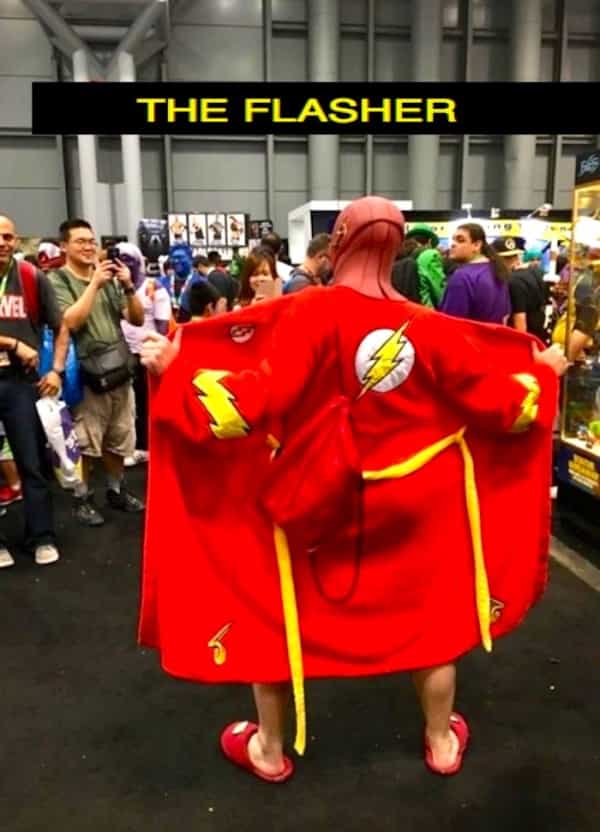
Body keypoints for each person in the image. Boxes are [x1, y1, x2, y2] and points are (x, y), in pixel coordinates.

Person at [140, 196, 566, 784]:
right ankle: (441, 741)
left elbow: (249, 405)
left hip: (316, 496)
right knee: (433, 621)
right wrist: (543, 372)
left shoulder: (310, 311)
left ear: (338, 242)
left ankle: (269, 748)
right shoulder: (428, 325)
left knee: (273, 611)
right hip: (418, 498)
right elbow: (502, 404)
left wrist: (178, 374)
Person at [49, 219, 145, 527]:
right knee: (86, 442)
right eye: (80, 241)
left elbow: (137, 319)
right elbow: (70, 321)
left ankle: (116, 490)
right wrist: (94, 285)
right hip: (86, 375)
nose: (89, 247)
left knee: (120, 436)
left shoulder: (107, 277)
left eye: (92, 241)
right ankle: (82, 498)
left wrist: (128, 285)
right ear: (64, 246)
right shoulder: (57, 280)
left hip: (119, 369)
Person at [0, 213, 69, 567]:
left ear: (15, 241)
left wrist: (56, 370)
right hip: (14, 365)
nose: (2, 243)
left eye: (8, 237)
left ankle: (41, 535)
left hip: (20, 383)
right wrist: (12, 342)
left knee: (31, 461)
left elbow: (61, 326)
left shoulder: (30, 277)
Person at [118, 242, 172, 466]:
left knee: (146, 402)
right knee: (126, 404)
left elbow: (163, 324)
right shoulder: (113, 286)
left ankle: (146, 446)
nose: (124, 264)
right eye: (120, 259)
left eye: (129, 260)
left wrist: (157, 352)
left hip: (147, 354)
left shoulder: (154, 287)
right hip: (121, 355)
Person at [439, 223, 511, 324]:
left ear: (477, 245)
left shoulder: (462, 277)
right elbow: (505, 316)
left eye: (460, 240)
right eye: (453, 240)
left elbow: (450, 324)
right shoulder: (497, 270)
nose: (453, 244)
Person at [491, 237, 549, 343]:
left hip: (523, 337)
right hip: (537, 331)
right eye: (509, 258)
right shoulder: (536, 272)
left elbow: (520, 318)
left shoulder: (513, 281)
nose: (512, 261)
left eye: (512, 257)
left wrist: (521, 344)